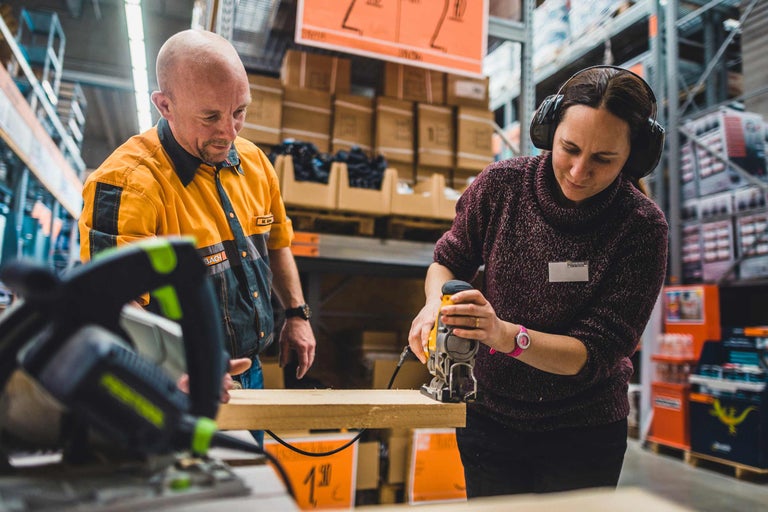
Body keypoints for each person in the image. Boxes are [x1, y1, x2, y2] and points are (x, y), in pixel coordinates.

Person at [408, 66, 668, 497]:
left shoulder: (641, 228)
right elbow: (447, 261)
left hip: (584, 433)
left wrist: (504, 335)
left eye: (604, 159)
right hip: (488, 419)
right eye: (570, 148)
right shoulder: (501, 186)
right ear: (549, 130)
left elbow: (594, 353)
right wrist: (435, 303)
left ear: (635, 156)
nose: (580, 171)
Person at [78, 29, 317, 441]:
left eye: (239, 111)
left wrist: (296, 314)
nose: (230, 131)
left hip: (249, 373)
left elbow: (277, 243)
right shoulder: (128, 183)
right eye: (210, 117)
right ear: (165, 105)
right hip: (170, 385)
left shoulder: (257, 164)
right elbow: (110, 309)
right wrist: (179, 371)